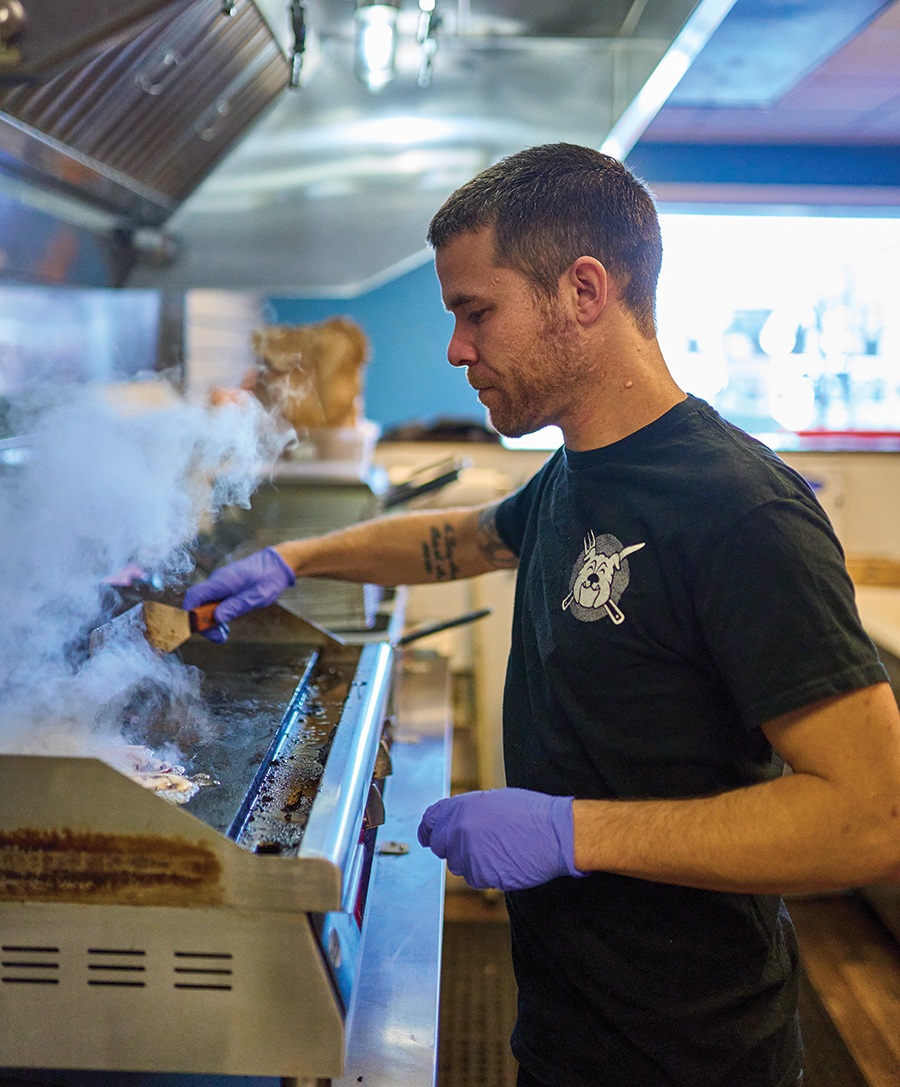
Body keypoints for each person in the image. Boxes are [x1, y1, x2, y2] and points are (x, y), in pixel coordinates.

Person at [184, 143, 900, 1087]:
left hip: (693, 1054)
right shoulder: (580, 469)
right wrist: (297, 559)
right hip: (569, 1025)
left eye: (477, 312)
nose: (456, 349)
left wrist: (570, 833)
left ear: (584, 290)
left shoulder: (740, 510)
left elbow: (869, 815)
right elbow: (468, 537)